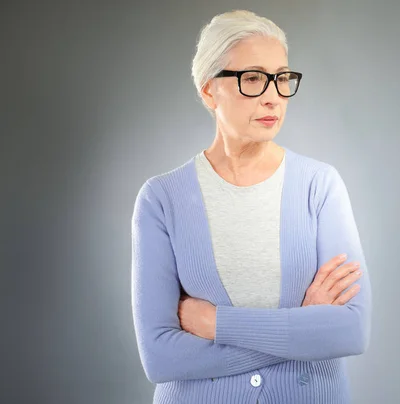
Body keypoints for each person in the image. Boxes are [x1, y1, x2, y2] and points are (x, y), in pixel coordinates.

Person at [131, 9, 372, 404]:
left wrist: (215, 323)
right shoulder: (162, 199)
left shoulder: (319, 186)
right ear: (210, 90)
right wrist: (301, 330)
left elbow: (350, 331)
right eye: (254, 78)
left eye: (282, 78)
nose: (273, 96)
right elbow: (160, 358)